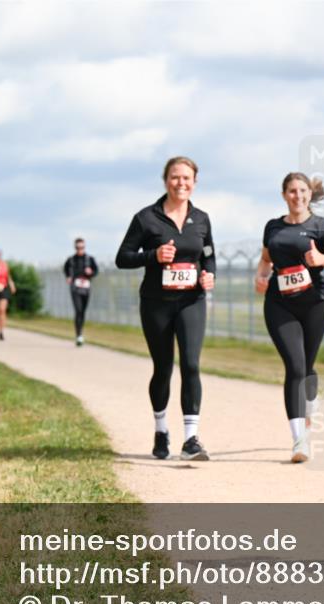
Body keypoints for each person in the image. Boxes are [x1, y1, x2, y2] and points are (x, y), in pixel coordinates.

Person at [116, 156, 216, 461]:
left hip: (191, 301)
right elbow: (123, 257)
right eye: (175, 177)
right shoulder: (146, 218)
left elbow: (209, 253)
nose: (181, 183)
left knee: (191, 364)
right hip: (156, 304)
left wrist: (209, 274)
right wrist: (154, 255)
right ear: (166, 180)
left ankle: (191, 440)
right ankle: (161, 430)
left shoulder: (201, 219)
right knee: (163, 368)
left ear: (195, 182)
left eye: (187, 178)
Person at [255, 172, 324, 463]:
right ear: (284, 195)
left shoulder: (320, 227)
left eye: (302, 191)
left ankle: (310, 401)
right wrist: (260, 276)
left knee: (307, 366)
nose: (298, 196)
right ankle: (299, 440)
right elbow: (265, 259)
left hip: (314, 304)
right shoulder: (272, 227)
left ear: (310, 195)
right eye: (292, 191)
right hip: (279, 303)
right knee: (295, 367)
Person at [64, 237, 99, 346]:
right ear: (75, 247)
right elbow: (65, 269)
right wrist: (68, 276)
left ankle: (80, 333)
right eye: (78, 247)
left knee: (82, 311)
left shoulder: (90, 259)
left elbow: (96, 271)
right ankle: (79, 336)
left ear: (84, 247)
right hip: (75, 288)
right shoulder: (70, 260)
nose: (80, 249)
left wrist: (91, 272)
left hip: (86, 288)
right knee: (78, 310)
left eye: (82, 247)